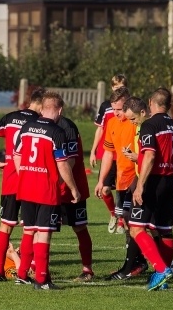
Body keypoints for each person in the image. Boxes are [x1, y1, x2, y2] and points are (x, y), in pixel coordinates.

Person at [13, 91, 80, 290]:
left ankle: (22, 274)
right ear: (60, 110)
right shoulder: (57, 132)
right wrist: (73, 188)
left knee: (28, 231)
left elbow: (16, 155)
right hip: (46, 189)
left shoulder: (26, 127)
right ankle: (42, 280)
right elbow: (63, 164)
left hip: (26, 187)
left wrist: (25, 175)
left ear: (42, 109)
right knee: (44, 233)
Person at [0, 88, 44, 282]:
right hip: (30, 179)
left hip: (9, 180)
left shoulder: (10, 118)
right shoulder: (39, 123)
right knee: (30, 229)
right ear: (42, 105)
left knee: (5, 227)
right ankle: (25, 272)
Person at [130, 88, 173, 291]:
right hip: (169, 183)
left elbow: (150, 155)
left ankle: (161, 269)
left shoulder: (149, 125)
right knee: (164, 231)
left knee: (136, 228)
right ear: (170, 106)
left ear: (150, 103)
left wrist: (140, 186)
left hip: (153, 182)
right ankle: (163, 280)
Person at [94, 88, 147, 280]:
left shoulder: (136, 123)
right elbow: (109, 153)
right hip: (122, 180)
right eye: (114, 109)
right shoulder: (111, 123)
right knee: (126, 220)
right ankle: (136, 262)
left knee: (136, 221)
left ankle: (136, 263)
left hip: (136, 179)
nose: (117, 113)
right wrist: (101, 180)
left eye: (120, 109)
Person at [56, 112, 94, 282]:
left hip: (72, 187)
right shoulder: (41, 124)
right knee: (41, 228)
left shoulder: (68, 127)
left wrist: (58, 181)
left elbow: (70, 161)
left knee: (79, 227)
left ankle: (87, 269)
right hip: (51, 189)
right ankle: (35, 267)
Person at [89, 74, 127, 233]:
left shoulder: (131, 107)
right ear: (112, 88)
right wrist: (93, 151)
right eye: (116, 87)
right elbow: (100, 129)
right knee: (105, 189)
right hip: (109, 152)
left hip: (125, 156)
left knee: (122, 189)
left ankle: (122, 220)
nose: (118, 89)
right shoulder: (106, 106)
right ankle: (113, 214)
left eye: (121, 87)